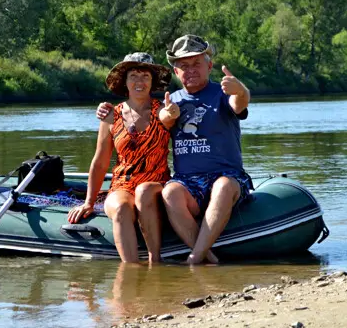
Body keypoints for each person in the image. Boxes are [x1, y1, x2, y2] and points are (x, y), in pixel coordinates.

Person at [97, 35, 252, 265]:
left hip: (225, 175)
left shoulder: (223, 93)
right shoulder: (171, 100)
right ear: (176, 72)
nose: (190, 70)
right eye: (183, 65)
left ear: (209, 66)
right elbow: (162, 117)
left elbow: (239, 104)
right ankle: (208, 257)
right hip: (187, 182)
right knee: (170, 192)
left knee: (223, 186)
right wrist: (167, 117)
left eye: (196, 63)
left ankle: (196, 257)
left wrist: (241, 91)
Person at [67, 52, 174, 263]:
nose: (139, 81)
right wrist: (89, 202)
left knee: (144, 191)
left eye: (145, 76)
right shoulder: (110, 115)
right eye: (133, 75)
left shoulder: (162, 111)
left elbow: (171, 119)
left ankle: (156, 262)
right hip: (122, 185)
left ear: (152, 81)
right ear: (125, 81)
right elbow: (100, 161)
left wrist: (172, 113)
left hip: (156, 183)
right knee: (123, 207)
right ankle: (130, 272)